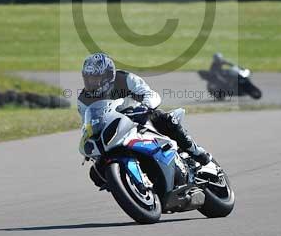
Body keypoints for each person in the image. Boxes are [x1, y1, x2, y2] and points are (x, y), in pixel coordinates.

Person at [78, 52, 211, 166]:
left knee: (166, 119)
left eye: (95, 78)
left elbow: (149, 94)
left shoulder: (124, 79)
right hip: (113, 129)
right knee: (96, 171)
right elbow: (87, 124)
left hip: (138, 117)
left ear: (108, 76)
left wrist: (145, 107)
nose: (91, 83)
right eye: (88, 78)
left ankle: (196, 151)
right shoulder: (84, 100)